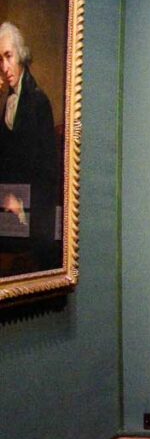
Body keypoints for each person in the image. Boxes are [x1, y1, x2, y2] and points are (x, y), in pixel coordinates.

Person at [0, 21, 61, 271]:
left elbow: (47, 170)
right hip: (9, 209)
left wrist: (22, 203)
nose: (4, 67)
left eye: (8, 56)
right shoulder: (7, 102)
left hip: (32, 214)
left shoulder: (38, 101)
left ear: (21, 56)